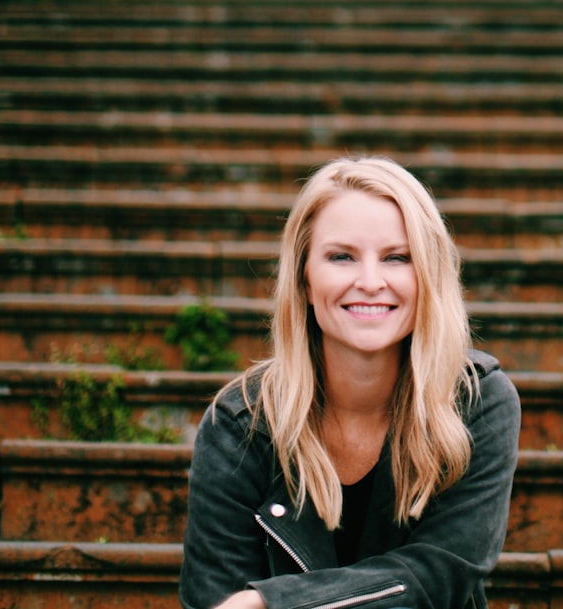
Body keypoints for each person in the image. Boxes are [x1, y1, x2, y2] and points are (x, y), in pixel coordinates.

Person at [180, 155, 521, 609]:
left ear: (428, 277)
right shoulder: (241, 424)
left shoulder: (477, 404)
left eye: (397, 258)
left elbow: (441, 573)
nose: (370, 281)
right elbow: (214, 598)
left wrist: (268, 604)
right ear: (303, 278)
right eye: (341, 257)